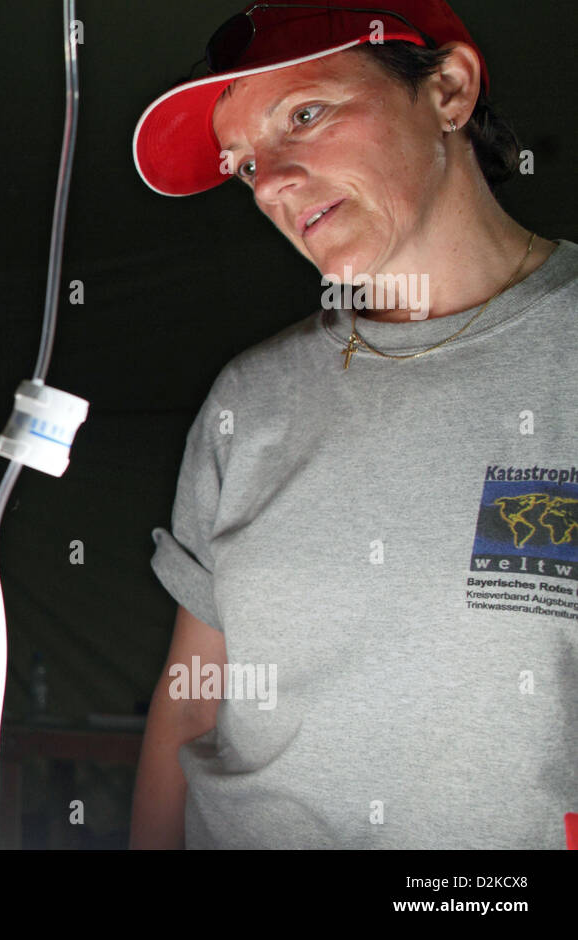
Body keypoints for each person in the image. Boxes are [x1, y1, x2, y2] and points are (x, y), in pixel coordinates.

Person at [129, 0, 575, 848]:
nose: (268, 182)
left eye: (305, 115)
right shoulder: (247, 402)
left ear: (448, 89)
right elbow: (190, 704)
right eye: (243, 161)